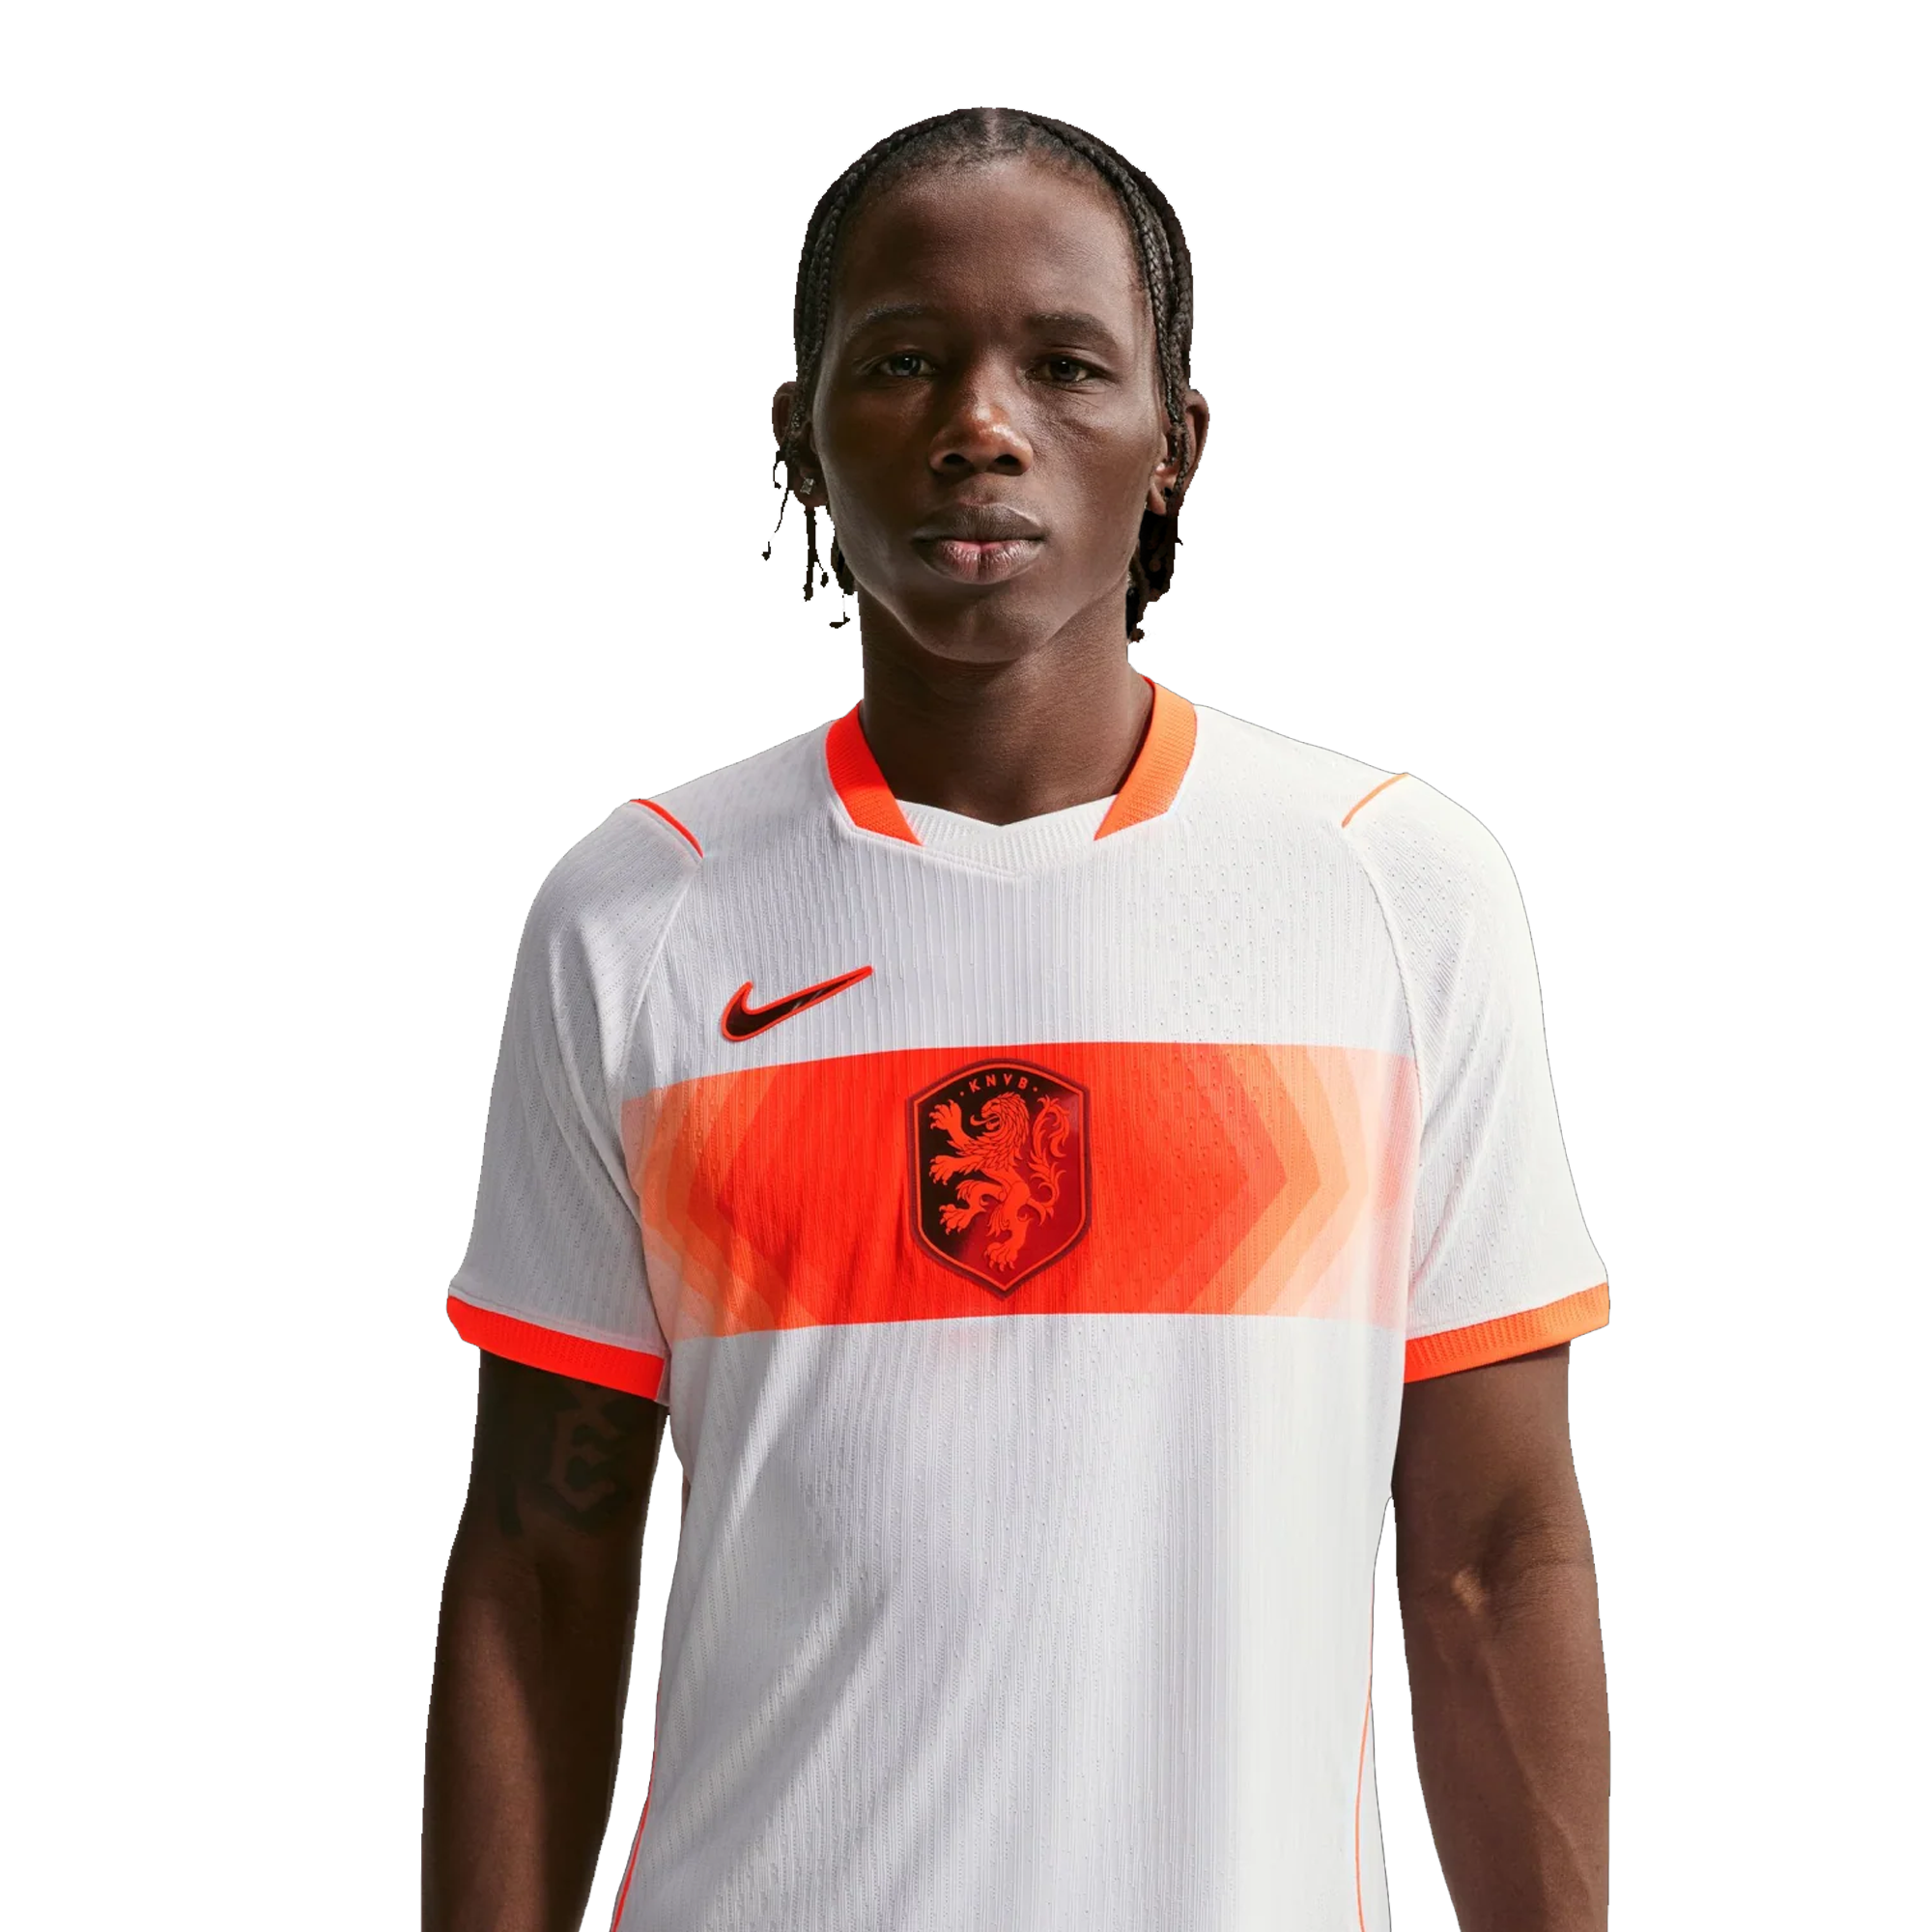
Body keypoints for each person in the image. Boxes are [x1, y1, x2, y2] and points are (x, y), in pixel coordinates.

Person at [423, 106, 1611, 1932]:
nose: (980, 426)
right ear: (801, 435)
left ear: (1174, 444)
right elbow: (539, 1564)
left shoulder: (1390, 892)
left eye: (1064, 365)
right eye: (904, 361)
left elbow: (1492, 1557)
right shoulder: (643, 916)